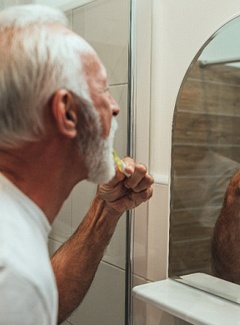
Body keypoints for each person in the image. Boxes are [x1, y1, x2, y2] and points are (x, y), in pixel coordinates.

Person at [0, 4, 154, 325]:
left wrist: (105, 209)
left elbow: (42, 303)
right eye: (103, 89)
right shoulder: (14, 272)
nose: (115, 108)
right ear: (67, 113)